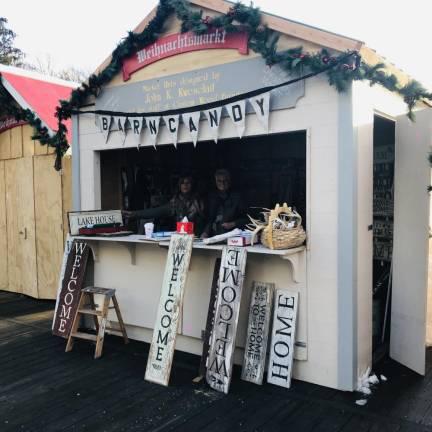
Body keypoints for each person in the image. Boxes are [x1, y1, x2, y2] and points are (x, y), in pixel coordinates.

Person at [123, 175, 205, 234]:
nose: (185, 185)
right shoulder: (175, 202)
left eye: (188, 183)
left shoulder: (199, 201)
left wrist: (205, 233)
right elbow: (156, 212)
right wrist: (134, 214)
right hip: (181, 238)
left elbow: (209, 220)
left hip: (198, 237)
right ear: (179, 186)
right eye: (182, 183)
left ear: (192, 185)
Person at [201, 169, 248, 238]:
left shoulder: (237, 197)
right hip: (214, 236)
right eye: (219, 181)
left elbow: (247, 219)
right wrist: (205, 232)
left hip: (233, 236)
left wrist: (233, 224)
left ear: (229, 181)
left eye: (225, 181)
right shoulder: (212, 197)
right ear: (216, 182)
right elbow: (210, 219)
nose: (222, 183)